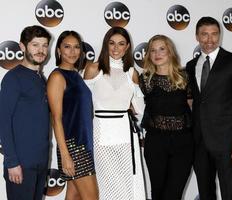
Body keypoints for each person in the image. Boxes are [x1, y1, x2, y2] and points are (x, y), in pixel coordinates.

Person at [186, 16, 232, 200]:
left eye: (214, 34)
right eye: (204, 34)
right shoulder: (191, 66)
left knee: (230, 194)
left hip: (228, 144)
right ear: (197, 36)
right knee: (206, 194)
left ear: (220, 35)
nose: (210, 40)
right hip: (199, 143)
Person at [84, 26, 145, 200]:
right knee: (106, 184)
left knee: (127, 184)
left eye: (121, 44)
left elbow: (140, 109)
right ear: (105, 45)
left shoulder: (132, 73)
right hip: (100, 132)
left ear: (127, 47)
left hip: (126, 134)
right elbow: (84, 107)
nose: (116, 48)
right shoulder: (93, 69)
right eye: (112, 43)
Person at [139, 35, 193, 200]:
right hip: (155, 142)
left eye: (162, 49)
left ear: (170, 51)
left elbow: (193, 107)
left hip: (183, 142)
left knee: (174, 194)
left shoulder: (185, 77)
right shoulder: (144, 80)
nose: (157, 53)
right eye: (153, 50)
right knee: (158, 193)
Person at [0, 25, 51, 200]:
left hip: (41, 162)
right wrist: (12, 162)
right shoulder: (13, 78)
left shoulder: (41, 78)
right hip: (21, 164)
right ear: (22, 46)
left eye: (44, 45)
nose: (41, 50)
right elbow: (3, 121)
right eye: (35, 45)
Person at [47, 31, 99, 200]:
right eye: (67, 47)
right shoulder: (57, 76)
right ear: (59, 51)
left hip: (85, 145)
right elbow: (56, 118)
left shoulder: (76, 75)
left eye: (76, 47)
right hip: (74, 148)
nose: (72, 51)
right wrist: (65, 155)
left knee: (74, 195)